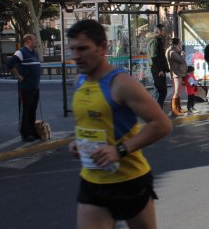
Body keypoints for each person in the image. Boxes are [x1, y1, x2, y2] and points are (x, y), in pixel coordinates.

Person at [67, 19, 172, 229]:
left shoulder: (122, 84)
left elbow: (161, 124)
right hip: (92, 181)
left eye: (83, 49)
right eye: (73, 49)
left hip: (129, 182)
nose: (76, 56)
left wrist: (120, 150)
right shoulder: (79, 81)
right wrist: (78, 142)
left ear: (103, 47)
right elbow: (93, 122)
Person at [7, 34, 42, 142]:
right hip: (25, 88)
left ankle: (32, 131)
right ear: (28, 41)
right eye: (35, 39)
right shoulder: (21, 52)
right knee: (25, 111)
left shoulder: (33, 53)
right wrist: (18, 76)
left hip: (35, 87)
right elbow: (10, 64)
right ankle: (25, 133)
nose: (37, 41)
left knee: (32, 111)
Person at [147, 24, 169, 109]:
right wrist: (159, 70)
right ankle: (157, 111)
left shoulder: (157, 40)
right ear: (158, 31)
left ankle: (157, 110)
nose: (164, 32)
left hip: (158, 69)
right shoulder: (155, 41)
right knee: (161, 91)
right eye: (162, 30)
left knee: (160, 91)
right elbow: (154, 57)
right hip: (157, 70)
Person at [166, 38, 187, 116]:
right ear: (176, 44)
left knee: (178, 91)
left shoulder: (175, 51)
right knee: (176, 91)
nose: (181, 44)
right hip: (176, 73)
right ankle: (174, 109)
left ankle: (178, 107)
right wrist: (182, 54)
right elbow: (181, 60)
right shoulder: (172, 52)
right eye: (180, 43)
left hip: (179, 72)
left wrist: (180, 52)